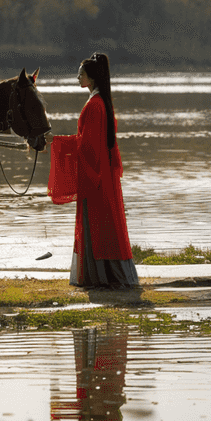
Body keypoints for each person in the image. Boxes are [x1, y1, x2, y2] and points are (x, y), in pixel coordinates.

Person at [47, 53, 139, 289]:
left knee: (98, 227)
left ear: (92, 77)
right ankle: (104, 276)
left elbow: (87, 147)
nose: (78, 76)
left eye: (81, 73)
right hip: (103, 176)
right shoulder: (100, 103)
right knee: (106, 226)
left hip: (97, 178)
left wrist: (57, 141)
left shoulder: (95, 106)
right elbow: (88, 143)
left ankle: (100, 277)